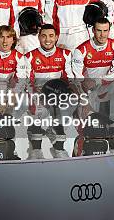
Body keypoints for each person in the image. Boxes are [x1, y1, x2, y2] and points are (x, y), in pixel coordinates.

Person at [24, 24, 74, 156]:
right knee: (37, 109)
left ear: (57, 37)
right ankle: (36, 150)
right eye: (44, 36)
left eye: (51, 36)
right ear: (39, 37)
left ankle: (59, 148)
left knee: (64, 110)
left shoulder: (65, 54)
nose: (48, 39)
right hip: (38, 94)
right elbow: (27, 82)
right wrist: (37, 95)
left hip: (58, 95)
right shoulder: (29, 56)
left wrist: (66, 95)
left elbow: (69, 79)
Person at [71, 18, 114, 135]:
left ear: (109, 30)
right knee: (88, 126)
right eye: (99, 31)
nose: (102, 35)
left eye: (105, 31)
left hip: (104, 86)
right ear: (93, 30)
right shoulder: (80, 50)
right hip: (86, 91)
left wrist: (97, 81)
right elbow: (77, 79)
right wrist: (84, 101)